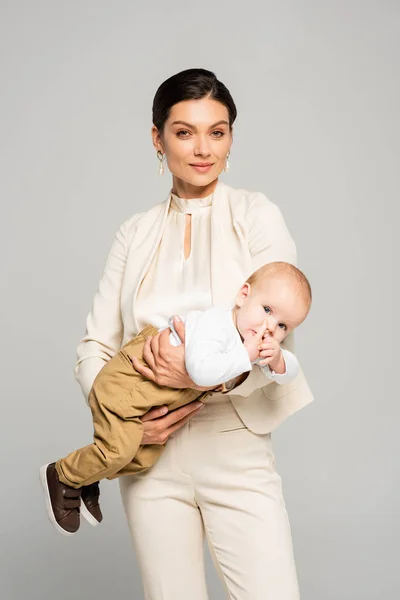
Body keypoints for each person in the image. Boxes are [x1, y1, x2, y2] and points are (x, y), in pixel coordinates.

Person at [73, 68, 314, 599]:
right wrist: (125, 421)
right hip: (150, 455)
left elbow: (279, 334)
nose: (203, 148)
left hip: (234, 443)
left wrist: (200, 374)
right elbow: (95, 346)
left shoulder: (256, 214)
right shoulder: (133, 233)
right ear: (157, 139)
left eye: (218, 131)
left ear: (231, 138)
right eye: (184, 132)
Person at [40, 261, 311, 536]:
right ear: (243, 295)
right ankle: (62, 474)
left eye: (282, 326)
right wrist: (247, 355)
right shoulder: (217, 325)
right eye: (266, 310)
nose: (269, 328)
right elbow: (201, 371)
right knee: (118, 450)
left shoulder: (248, 340)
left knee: (144, 456)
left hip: (152, 397)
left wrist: (277, 360)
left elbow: (291, 371)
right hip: (132, 381)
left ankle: (87, 475)